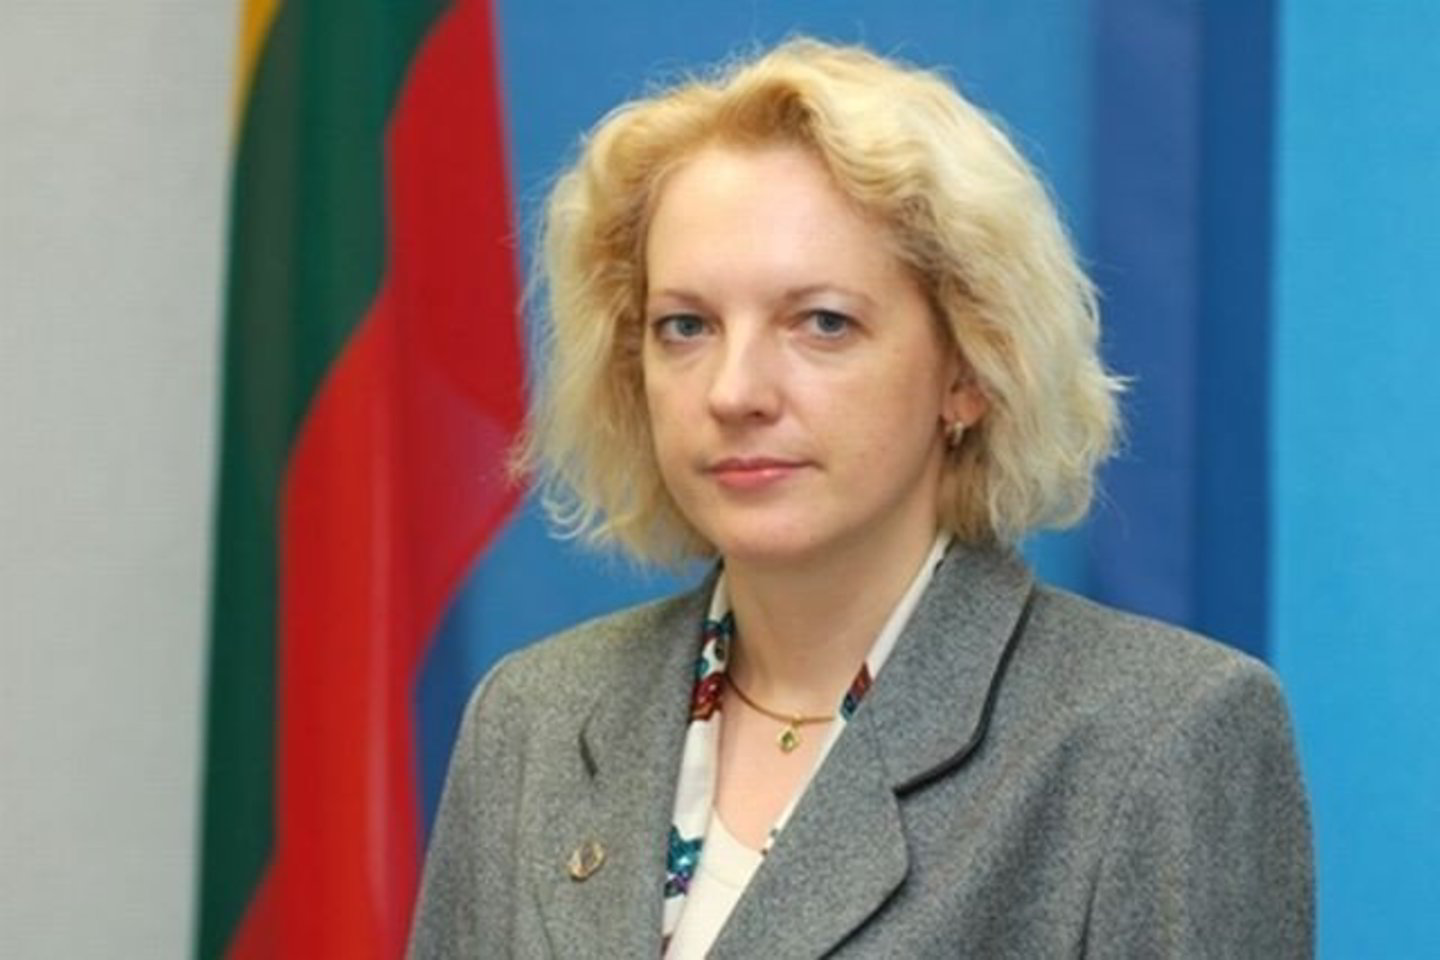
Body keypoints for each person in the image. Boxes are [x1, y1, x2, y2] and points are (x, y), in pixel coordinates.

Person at [408, 38, 1313, 959]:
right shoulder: (533, 717)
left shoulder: (1159, 737)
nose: (734, 391)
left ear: (969, 369)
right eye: (686, 326)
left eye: (822, 323)